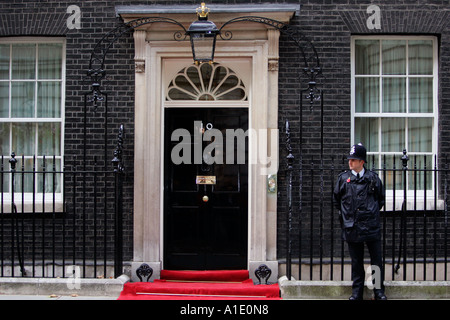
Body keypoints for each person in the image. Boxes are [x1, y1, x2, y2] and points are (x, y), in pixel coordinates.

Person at [333, 143, 387, 300]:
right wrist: (346, 216)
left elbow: (380, 200)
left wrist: (371, 213)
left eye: (354, 160)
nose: (350, 162)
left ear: (362, 161)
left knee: (376, 260)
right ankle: (357, 292)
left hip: (371, 226)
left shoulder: (373, 179)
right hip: (352, 226)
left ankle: (378, 291)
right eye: (349, 159)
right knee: (356, 262)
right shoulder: (343, 179)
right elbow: (337, 200)